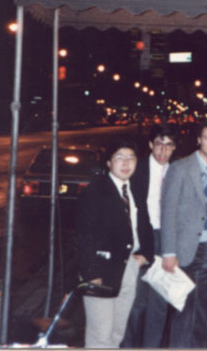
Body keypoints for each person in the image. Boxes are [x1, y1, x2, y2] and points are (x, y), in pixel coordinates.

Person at [77, 139, 154, 348]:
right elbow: (84, 236)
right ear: (109, 163)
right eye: (119, 158)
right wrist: (92, 274)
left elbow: (144, 223)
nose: (126, 163)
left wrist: (145, 254)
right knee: (100, 336)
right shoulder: (95, 192)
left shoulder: (134, 190)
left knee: (117, 333)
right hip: (100, 271)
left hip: (128, 267)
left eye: (131, 158)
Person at [161, 118, 207, 348]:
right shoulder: (180, 168)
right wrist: (169, 251)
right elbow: (168, 211)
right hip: (185, 249)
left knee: (204, 310)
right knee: (183, 309)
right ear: (199, 140)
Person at [122, 123, 177, 348]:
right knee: (137, 301)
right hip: (142, 240)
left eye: (169, 146)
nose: (163, 151)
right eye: (159, 145)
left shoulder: (177, 170)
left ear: (174, 148)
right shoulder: (138, 169)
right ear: (150, 145)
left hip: (167, 240)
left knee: (161, 302)